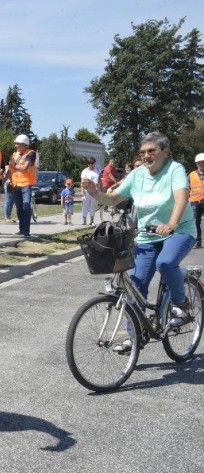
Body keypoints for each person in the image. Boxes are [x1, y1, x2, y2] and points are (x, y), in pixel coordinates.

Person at [82, 132, 196, 352]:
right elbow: (114, 198)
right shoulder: (137, 174)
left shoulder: (175, 170)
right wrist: (96, 193)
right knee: (136, 285)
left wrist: (172, 223)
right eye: (143, 152)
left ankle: (181, 306)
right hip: (148, 234)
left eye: (151, 151)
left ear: (165, 151)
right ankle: (133, 336)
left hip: (179, 230)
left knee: (165, 262)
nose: (146, 156)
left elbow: (181, 198)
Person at [8, 134, 37, 237]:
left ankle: (26, 231)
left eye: (18, 144)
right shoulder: (15, 154)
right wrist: (6, 179)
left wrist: (14, 165)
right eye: (16, 144)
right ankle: (21, 229)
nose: (16, 146)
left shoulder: (31, 153)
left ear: (24, 145)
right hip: (15, 185)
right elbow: (10, 168)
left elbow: (25, 168)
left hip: (25, 184)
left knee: (26, 207)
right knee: (19, 208)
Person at [189, 152, 204, 248]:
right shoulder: (191, 175)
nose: (201, 164)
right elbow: (186, 188)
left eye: (203, 162)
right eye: (199, 162)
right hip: (195, 202)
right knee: (195, 223)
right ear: (196, 163)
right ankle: (197, 241)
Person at [81, 157, 99, 226]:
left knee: (92, 206)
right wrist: (82, 190)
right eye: (89, 163)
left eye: (92, 163)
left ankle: (92, 221)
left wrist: (98, 190)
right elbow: (82, 182)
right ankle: (84, 221)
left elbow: (99, 182)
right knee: (85, 206)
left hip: (94, 191)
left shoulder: (97, 170)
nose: (90, 164)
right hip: (86, 191)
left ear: (94, 163)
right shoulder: (84, 171)